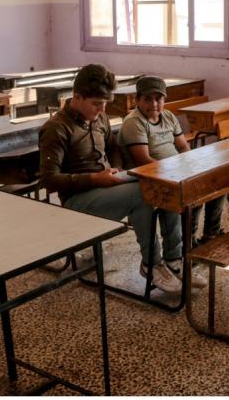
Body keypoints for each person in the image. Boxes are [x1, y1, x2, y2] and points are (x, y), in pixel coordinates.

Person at [38, 64, 182, 294]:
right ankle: (152, 264)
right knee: (141, 195)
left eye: (105, 103)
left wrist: (115, 168)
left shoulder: (100, 118)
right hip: (77, 202)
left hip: (105, 187)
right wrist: (95, 179)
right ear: (76, 97)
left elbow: (113, 147)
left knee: (164, 185)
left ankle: (175, 259)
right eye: (96, 103)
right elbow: (49, 179)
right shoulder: (57, 128)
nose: (102, 109)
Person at [118, 76, 214, 287]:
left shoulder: (168, 116)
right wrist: (173, 174)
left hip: (172, 173)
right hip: (149, 177)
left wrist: (189, 167)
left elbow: (182, 147)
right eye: (148, 99)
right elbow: (143, 160)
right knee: (175, 200)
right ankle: (167, 259)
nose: (154, 104)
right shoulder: (134, 122)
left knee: (213, 185)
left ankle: (181, 253)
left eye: (159, 99)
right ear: (137, 100)